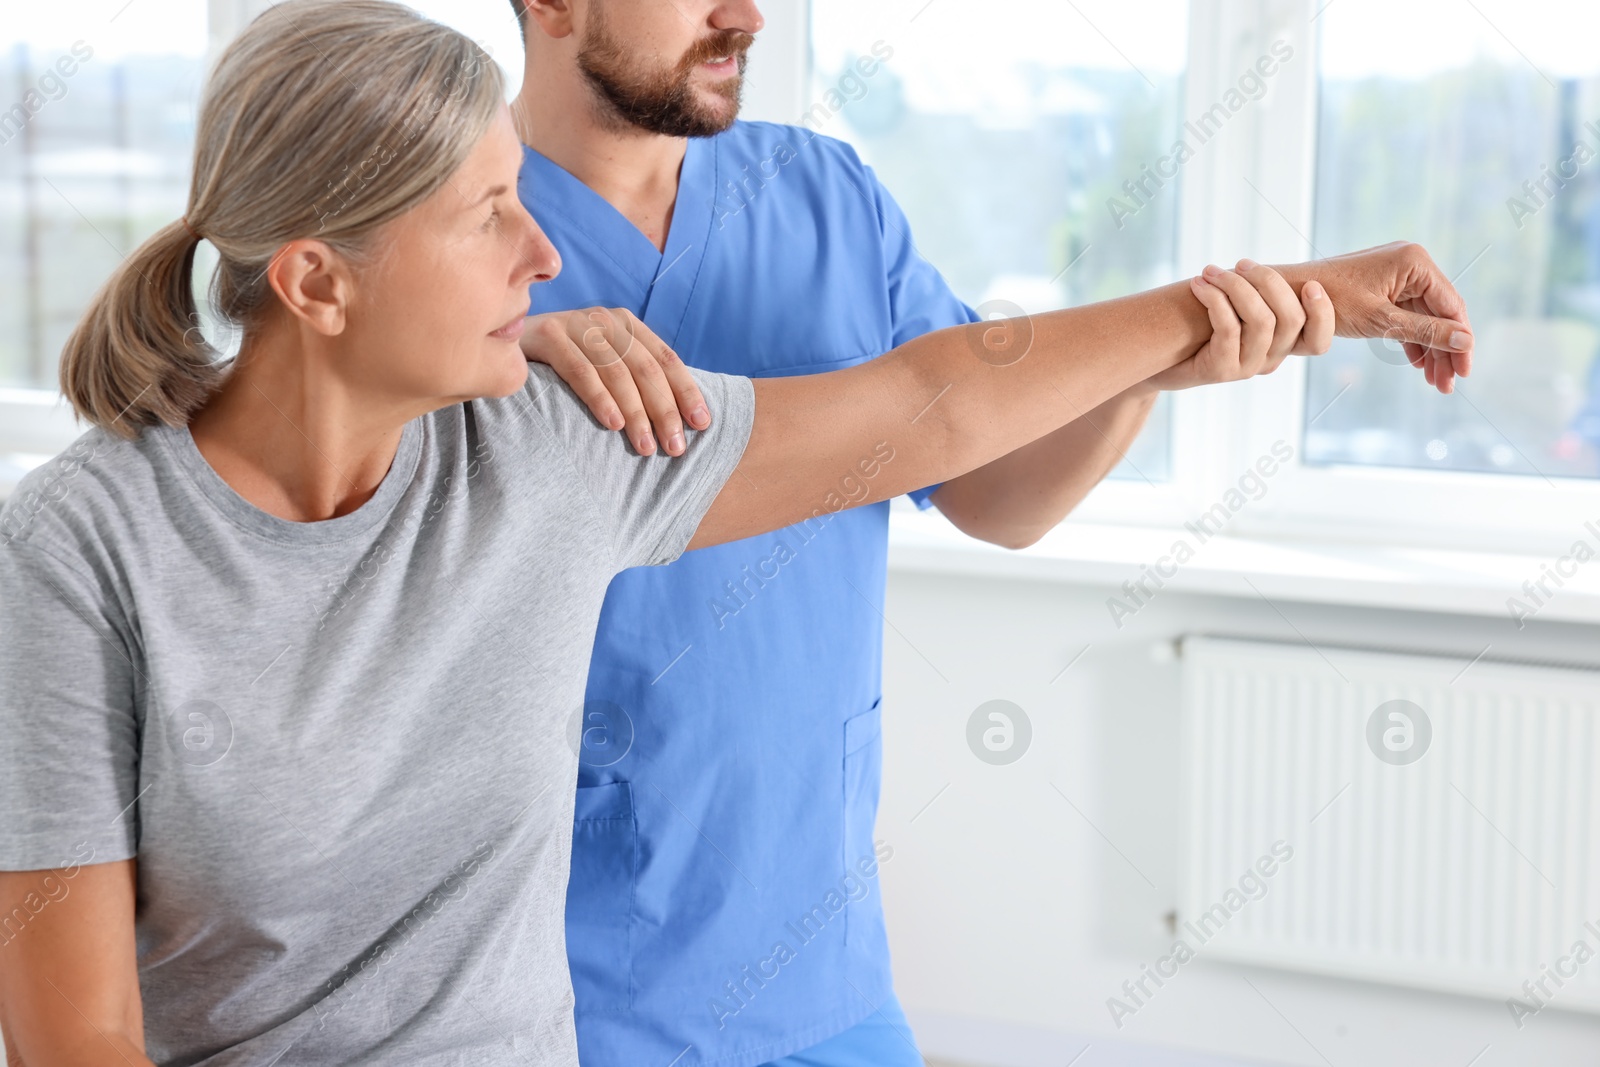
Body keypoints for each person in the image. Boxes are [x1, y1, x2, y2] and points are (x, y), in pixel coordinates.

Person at [0, 2, 1466, 1064]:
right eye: (489, 215)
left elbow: (949, 416)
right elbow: (76, 1026)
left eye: (520, 207)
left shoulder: (562, 420)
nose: (541, 254)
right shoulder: (97, 543)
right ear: (319, 281)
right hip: (601, 984)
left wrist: (1237, 314)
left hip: (794, 973)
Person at [503, 2, 1473, 1064]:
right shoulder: (459, 233)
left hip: (818, 954)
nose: (745, 14)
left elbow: (992, 493)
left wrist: (1150, 369)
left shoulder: (826, 193)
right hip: (576, 972)